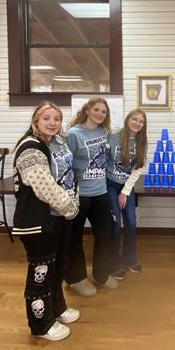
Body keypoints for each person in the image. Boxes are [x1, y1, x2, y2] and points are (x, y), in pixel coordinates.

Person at [13, 101, 81, 341]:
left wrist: (70, 205)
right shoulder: (31, 148)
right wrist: (69, 207)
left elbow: (70, 176)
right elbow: (44, 186)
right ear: (35, 121)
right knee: (41, 272)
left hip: (58, 216)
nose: (53, 123)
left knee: (58, 267)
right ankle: (41, 324)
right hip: (38, 221)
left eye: (57, 119)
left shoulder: (55, 143)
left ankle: (57, 308)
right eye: (46, 118)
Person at [64, 97, 117, 297]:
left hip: (101, 192)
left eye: (104, 111)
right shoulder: (73, 134)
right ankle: (76, 278)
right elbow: (65, 164)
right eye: (96, 110)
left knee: (105, 235)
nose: (100, 114)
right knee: (74, 238)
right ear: (87, 110)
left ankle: (101, 275)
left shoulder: (104, 132)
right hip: (80, 195)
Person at [106, 109, 148, 279]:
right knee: (115, 224)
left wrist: (124, 192)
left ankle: (129, 258)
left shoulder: (142, 141)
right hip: (109, 184)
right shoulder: (113, 136)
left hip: (126, 186)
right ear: (128, 119)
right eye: (134, 119)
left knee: (131, 222)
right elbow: (103, 160)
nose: (137, 123)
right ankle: (113, 262)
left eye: (141, 121)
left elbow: (138, 169)